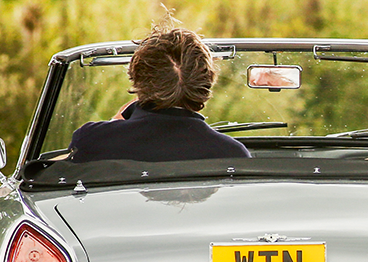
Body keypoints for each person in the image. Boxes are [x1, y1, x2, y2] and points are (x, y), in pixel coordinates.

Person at [69, 26, 250, 162]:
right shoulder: (232, 154)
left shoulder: (92, 141)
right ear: (205, 84)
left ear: (138, 77)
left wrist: (114, 125)